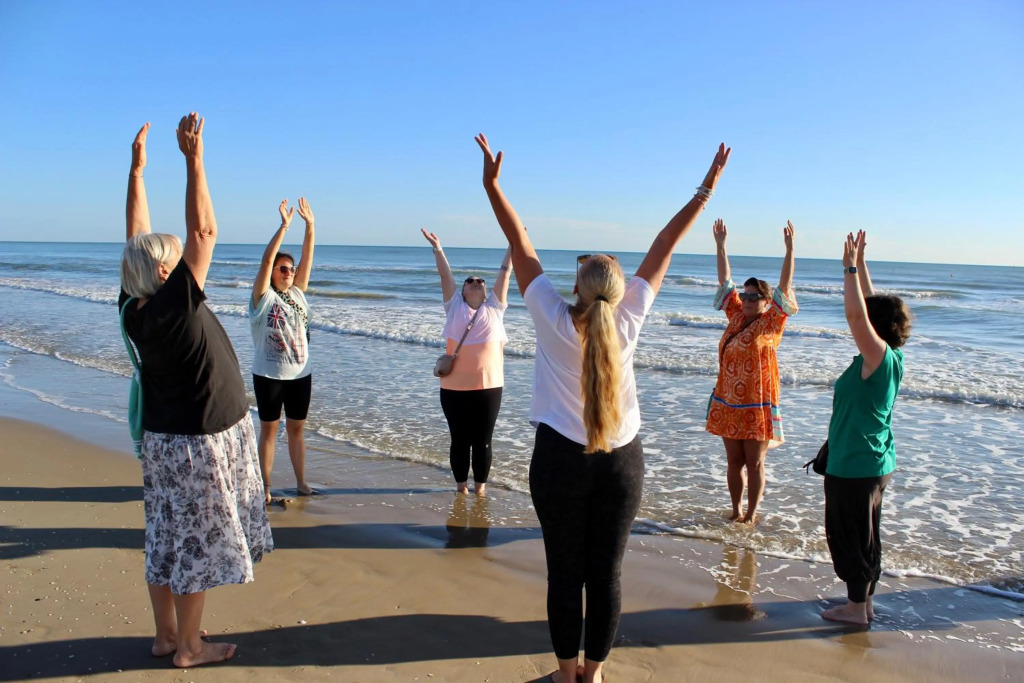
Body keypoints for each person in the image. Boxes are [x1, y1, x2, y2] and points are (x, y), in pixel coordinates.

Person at [475, 133, 730, 683]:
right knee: (607, 575)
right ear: (618, 290)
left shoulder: (550, 314)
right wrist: (706, 189)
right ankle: (592, 676)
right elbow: (665, 243)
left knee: (565, 575)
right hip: (621, 462)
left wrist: (493, 186)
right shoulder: (629, 318)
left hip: (559, 460)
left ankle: (565, 675)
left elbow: (519, 241)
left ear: (577, 285)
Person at [119, 114, 273, 667]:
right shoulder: (173, 305)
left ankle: (166, 635)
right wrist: (194, 161)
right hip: (199, 443)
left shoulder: (133, 306)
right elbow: (204, 232)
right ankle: (189, 647)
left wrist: (137, 174)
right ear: (165, 272)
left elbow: (136, 241)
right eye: (171, 256)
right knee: (194, 546)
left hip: (166, 440)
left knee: (165, 538)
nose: (181, 258)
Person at [822, 230, 911, 625]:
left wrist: (849, 269)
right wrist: (861, 264)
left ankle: (856, 609)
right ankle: (865, 604)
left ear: (876, 328)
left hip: (856, 464)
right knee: (867, 534)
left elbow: (858, 316)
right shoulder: (889, 357)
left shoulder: (877, 358)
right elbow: (872, 309)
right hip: (873, 461)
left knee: (850, 537)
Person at [706, 218, 797, 524]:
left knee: (755, 462)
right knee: (734, 462)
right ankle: (736, 511)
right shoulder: (735, 316)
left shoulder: (772, 323)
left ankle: (752, 514)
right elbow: (725, 282)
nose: (745, 300)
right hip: (728, 402)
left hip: (757, 405)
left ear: (767, 302)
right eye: (744, 296)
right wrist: (721, 246)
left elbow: (785, 287)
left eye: (753, 297)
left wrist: (789, 250)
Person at [421, 228, 512, 496]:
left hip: (489, 387)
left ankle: (480, 489)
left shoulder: (495, 307)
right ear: (461, 291)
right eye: (469, 281)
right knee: (459, 440)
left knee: (483, 441)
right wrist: (438, 248)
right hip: (453, 388)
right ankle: (461, 488)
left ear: (486, 291)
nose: (475, 282)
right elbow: (445, 276)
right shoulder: (454, 308)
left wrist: (514, 244)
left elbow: (506, 272)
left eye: (480, 281)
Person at [251, 197, 317, 502]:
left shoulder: (298, 293)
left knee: (297, 429)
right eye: (284, 268)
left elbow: (308, 257)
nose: (289, 272)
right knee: (269, 430)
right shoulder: (263, 298)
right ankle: (265, 486)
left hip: (301, 374)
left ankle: (301, 483)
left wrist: (310, 226)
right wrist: (284, 227)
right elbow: (266, 262)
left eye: (292, 269)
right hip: (269, 374)